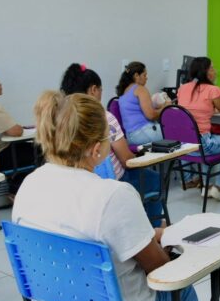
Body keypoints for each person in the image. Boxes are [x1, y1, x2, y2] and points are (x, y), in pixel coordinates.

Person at [13, 91, 197, 301]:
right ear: (97, 148)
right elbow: (160, 269)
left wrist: (148, 234)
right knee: (182, 296)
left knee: (121, 289)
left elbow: (77, 231)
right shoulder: (112, 195)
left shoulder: (30, 184)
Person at [60, 63, 163, 226]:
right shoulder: (103, 118)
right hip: (112, 184)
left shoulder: (61, 120)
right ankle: (153, 228)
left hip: (78, 187)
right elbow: (126, 160)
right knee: (154, 178)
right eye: (100, 90)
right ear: (93, 90)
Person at [177, 56, 220, 200]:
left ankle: (206, 187)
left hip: (184, 146)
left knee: (215, 139)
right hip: (203, 145)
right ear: (206, 72)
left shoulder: (183, 89)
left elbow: (197, 108)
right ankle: (218, 186)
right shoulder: (212, 90)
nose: (215, 71)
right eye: (212, 68)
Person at [116, 61, 170, 146]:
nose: (146, 78)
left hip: (131, 137)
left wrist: (157, 107)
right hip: (144, 133)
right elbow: (151, 115)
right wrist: (165, 107)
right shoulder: (140, 89)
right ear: (136, 75)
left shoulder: (124, 92)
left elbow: (137, 110)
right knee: (176, 131)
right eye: (144, 75)